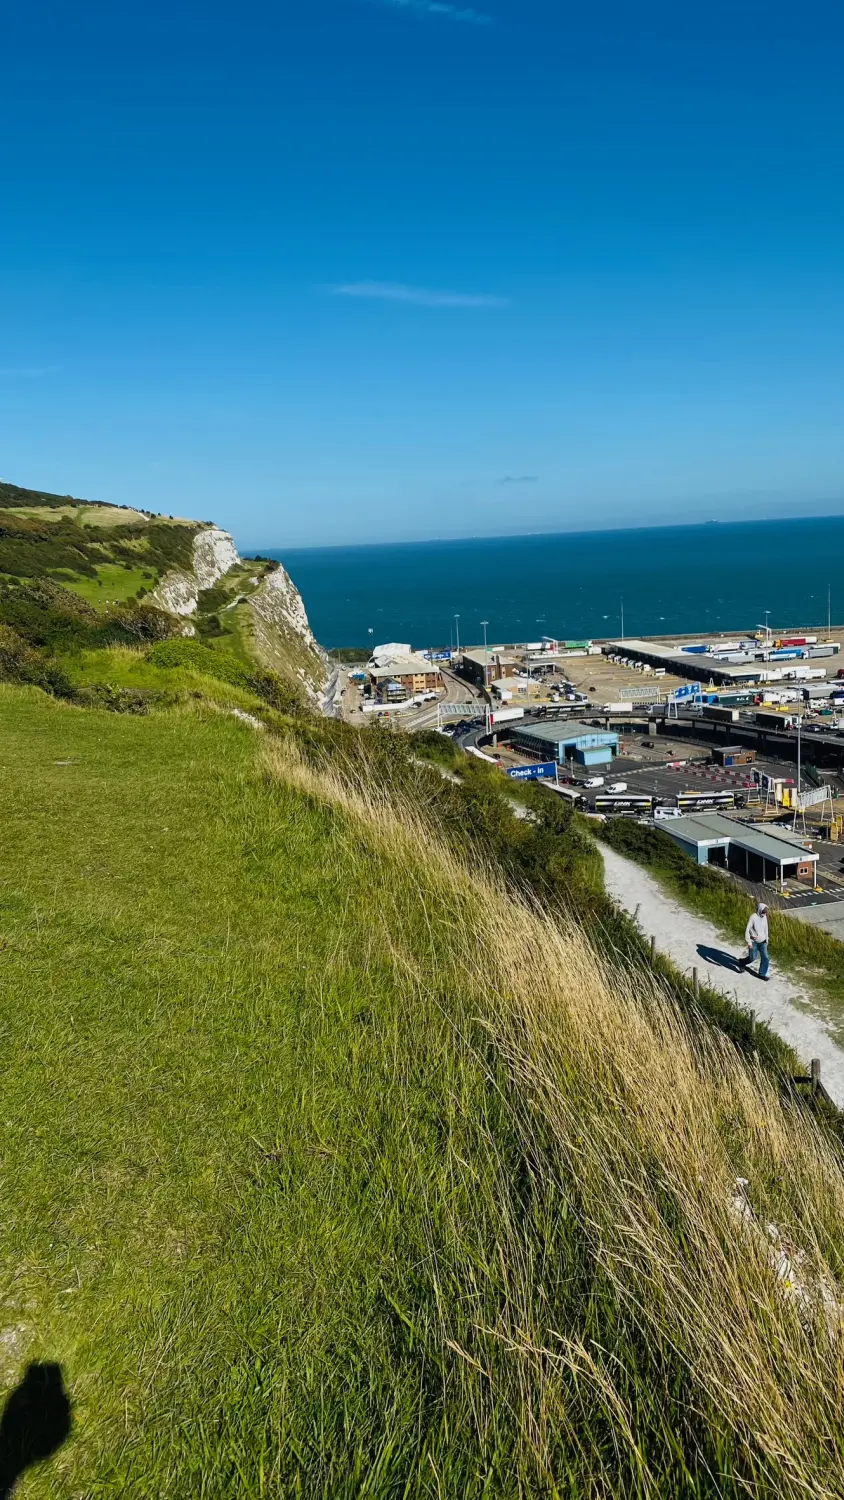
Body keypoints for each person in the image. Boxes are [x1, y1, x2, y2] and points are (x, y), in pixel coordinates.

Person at [739, 903, 770, 980]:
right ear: (759, 910)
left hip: (763, 942)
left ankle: (762, 974)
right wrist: (749, 942)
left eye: (765, 912)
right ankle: (742, 962)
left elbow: (766, 929)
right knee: (752, 957)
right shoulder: (753, 917)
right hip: (754, 942)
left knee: (765, 958)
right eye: (763, 912)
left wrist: (767, 939)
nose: (765, 914)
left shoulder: (764, 917)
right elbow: (747, 929)